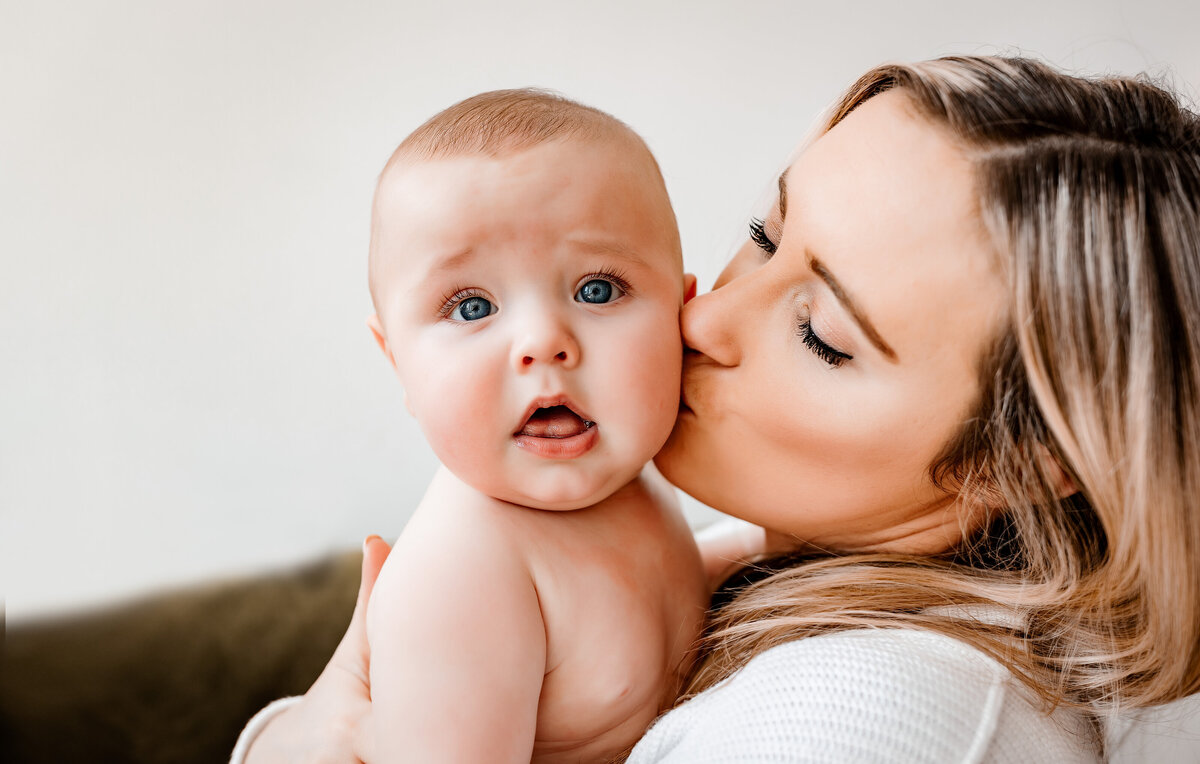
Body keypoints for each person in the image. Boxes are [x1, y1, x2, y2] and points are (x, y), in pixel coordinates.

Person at [235, 55, 1200, 763]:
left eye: (821, 334)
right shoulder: (782, 565)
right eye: (763, 236)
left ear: (1016, 460)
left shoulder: (856, 724)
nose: (701, 318)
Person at [360, 89, 708, 762]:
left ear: (680, 315)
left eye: (597, 289)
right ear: (397, 361)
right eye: (471, 307)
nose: (543, 341)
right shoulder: (458, 579)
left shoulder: (635, 481)